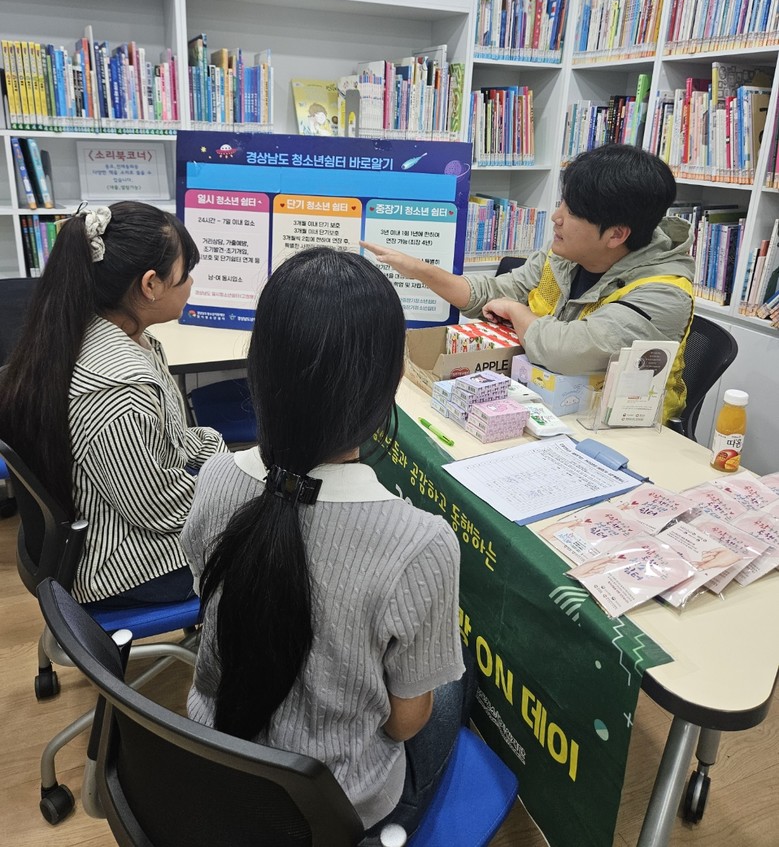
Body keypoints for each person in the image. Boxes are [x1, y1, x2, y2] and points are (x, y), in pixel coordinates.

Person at [181, 247, 471, 839]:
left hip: (217, 766)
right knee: (457, 688)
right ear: (391, 382)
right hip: (333, 808)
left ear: (257, 368)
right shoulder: (421, 544)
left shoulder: (215, 476)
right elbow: (403, 725)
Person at [363, 144, 695, 420]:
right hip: (548, 405)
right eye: (563, 202)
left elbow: (567, 350)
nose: (556, 217)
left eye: (573, 211)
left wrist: (516, 311)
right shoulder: (566, 255)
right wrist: (420, 270)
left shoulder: (663, 294)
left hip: (620, 431)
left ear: (616, 234)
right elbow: (493, 293)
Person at [0, 202, 227, 605]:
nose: (191, 283)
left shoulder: (109, 333)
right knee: (272, 541)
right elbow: (158, 509)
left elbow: (170, 441)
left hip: (112, 516)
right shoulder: (117, 387)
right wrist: (235, 490)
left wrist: (215, 453)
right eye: (185, 274)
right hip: (120, 565)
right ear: (151, 284)